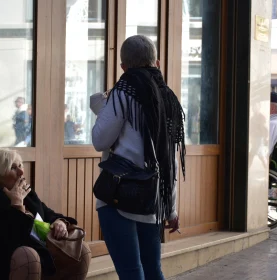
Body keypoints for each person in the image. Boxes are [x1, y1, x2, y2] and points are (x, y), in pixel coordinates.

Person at [90, 35, 185, 280]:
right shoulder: (168, 99)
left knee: (131, 273)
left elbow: (100, 140)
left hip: (118, 198)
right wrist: (171, 209)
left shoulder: (122, 94)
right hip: (152, 199)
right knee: (153, 271)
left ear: (124, 67)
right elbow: (169, 161)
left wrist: (102, 108)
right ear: (158, 63)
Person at [0, 148, 91, 280]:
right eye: (13, 168)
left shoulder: (25, 193)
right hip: (4, 265)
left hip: (43, 253)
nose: (21, 172)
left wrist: (59, 222)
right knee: (28, 256)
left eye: (20, 165)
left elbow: (47, 213)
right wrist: (17, 207)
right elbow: (7, 241)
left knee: (81, 250)